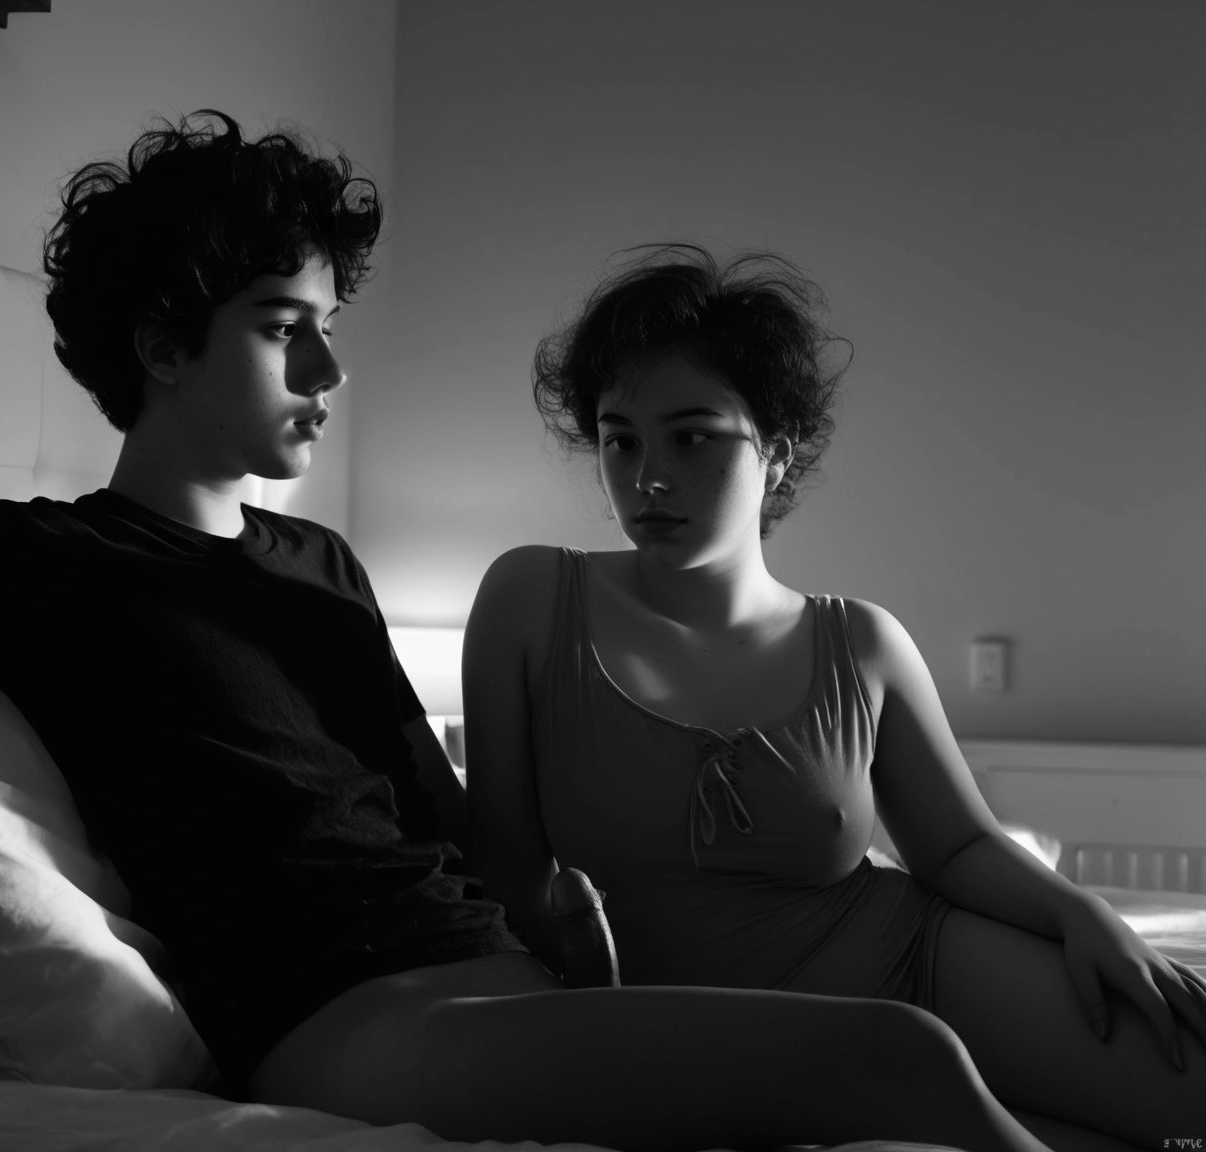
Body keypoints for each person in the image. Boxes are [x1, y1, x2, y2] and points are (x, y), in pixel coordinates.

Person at [0, 112, 1052, 1152]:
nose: (329, 369)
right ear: (166, 346)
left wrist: (567, 917)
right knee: (899, 1057)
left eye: (330, 325)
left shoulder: (320, 563)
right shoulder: (41, 559)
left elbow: (448, 821)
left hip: (499, 979)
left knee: (922, 1078)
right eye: (284, 329)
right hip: (347, 1021)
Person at [461, 244, 1206, 1151]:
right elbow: (506, 870)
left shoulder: (861, 641)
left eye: (690, 436)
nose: (647, 476)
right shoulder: (531, 600)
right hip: (744, 1039)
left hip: (917, 960)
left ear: (775, 455)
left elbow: (957, 846)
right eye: (621, 440)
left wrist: (1082, 915)